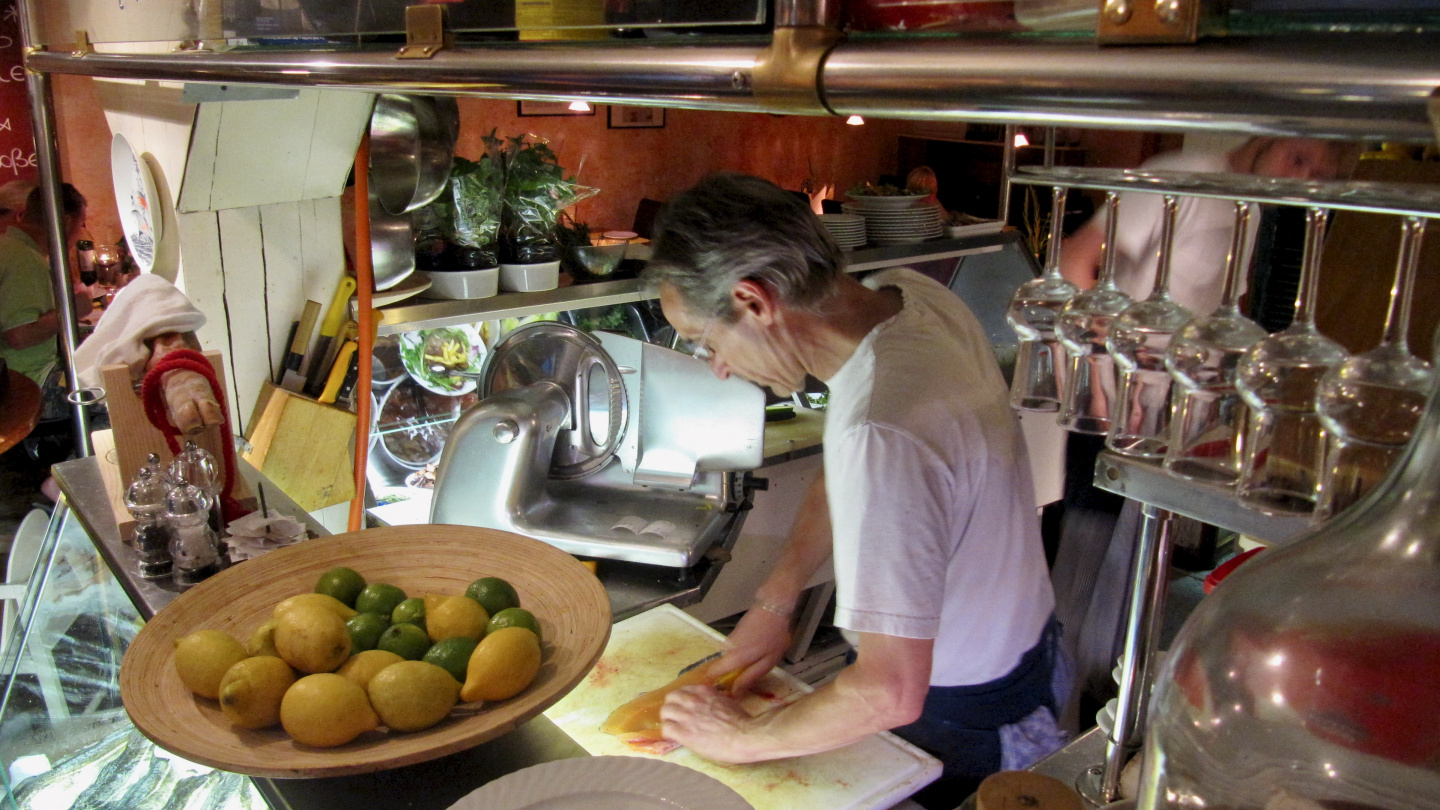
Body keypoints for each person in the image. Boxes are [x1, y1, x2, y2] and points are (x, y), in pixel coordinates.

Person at [647, 173, 1065, 806]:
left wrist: (739, 740)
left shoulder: (884, 426)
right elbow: (847, 466)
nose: (721, 367)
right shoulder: (908, 301)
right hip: (1024, 653)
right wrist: (775, 601)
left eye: (708, 341)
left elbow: (888, 692)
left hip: (965, 719)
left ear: (755, 301)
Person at [1059, 137, 1342, 315]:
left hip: (1179, 390)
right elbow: (1075, 261)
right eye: (1297, 159)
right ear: (1267, 136)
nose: (1299, 180)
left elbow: (1223, 307)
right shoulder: (1180, 177)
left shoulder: (1251, 210)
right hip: (1125, 379)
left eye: (1315, 175)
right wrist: (1100, 362)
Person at [0, 183, 92, 391]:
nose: (79, 234)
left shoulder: (11, 248)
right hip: (26, 383)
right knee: (118, 396)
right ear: (66, 223)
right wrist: (71, 309)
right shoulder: (22, 259)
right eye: (81, 226)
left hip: (20, 375)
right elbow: (19, 335)